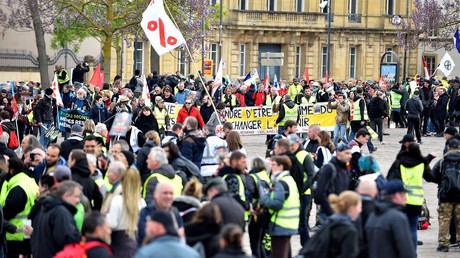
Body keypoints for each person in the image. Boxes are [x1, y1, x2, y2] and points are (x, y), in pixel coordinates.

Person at [387, 142, 436, 251]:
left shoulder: (400, 162)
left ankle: (400, 250)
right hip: (416, 201)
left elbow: (391, 177)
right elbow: (430, 177)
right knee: (413, 228)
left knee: (401, 228)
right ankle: (412, 252)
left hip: (401, 200)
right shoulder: (421, 164)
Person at [260, 155, 299, 258]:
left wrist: (265, 196)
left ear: (281, 167)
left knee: (279, 254)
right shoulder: (289, 180)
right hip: (289, 223)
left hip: (280, 224)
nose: (271, 167)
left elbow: (276, 204)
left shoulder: (281, 183)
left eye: (273, 165)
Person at [30, 181, 82, 258]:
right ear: (66, 195)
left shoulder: (44, 208)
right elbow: (67, 239)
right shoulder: (61, 212)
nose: (78, 200)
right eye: (76, 196)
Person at [365, 180, 416, 258]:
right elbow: (407, 251)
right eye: (404, 194)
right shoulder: (398, 218)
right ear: (397, 195)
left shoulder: (373, 215)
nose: (406, 198)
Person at [0, 158, 38, 258]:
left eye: (6, 168)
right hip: (25, 234)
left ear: (12, 170)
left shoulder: (18, 187)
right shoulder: (28, 180)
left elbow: (7, 212)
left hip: (15, 236)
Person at [107, 167, 146, 258]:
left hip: (119, 243)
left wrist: (106, 217)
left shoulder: (117, 200)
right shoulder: (142, 202)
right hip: (136, 243)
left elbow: (112, 224)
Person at [431, 138, 460, 252]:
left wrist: (441, 182)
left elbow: (432, 175)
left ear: (449, 147)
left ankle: (443, 244)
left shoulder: (443, 161)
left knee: (444, 220)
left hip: (445, 195)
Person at [314, 144, 352, 224]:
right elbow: (320, 192)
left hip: (341, 212)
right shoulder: (329, 168)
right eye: (347, 153)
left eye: (350, 153)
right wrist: (330, 211)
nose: (350, 156)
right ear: (338, 153)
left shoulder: (345, 169)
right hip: (328, 214)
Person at [135, 210, 200, 258]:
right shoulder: (193, 254)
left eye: (147, 226)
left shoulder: (146, 253)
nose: (146, 230)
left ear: (157, 228)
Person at [137, 182, 184, 247]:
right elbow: (144, 234)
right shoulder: (146, 212)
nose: (168, 196)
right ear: (155, 194)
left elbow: (182, 234)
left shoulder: (175, 212)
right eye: (165, 193)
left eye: (171, 193)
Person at [323, 191, 362, 258]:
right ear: (352, 208)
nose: (360, 210)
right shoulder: (349, 231)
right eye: (359, 207)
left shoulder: (330, 222)